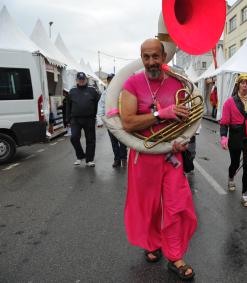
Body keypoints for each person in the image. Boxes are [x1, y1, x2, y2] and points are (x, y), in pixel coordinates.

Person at [120, 38, 196, 280]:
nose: (151, 62)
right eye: (146, 57)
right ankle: (152, 243)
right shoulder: (132, 83)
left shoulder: (177, 83)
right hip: (143, 156)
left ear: (164, 57)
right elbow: (128, 122)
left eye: (155, 56)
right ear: (141, 58)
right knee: (149, 207)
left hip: (171, 157)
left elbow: (189, 119)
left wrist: (183, 139)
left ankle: (175, 256)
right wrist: (159, 114)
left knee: (176, 205)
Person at [219, 73, 247, 207]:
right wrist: (224, 137)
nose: (245, 85)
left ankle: (245, 194)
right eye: (242, 82)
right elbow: (224, 122)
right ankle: (231, 178)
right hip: (236, 137)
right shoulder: (229, 102)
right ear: (238, 85)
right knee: (235, 163)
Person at [66, 72, 101, 167]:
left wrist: (98, 116)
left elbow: (99, 103)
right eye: (79, 79)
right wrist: (67, 119)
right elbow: (68, 105)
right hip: (75, 119)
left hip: (89, 119)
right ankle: (80, 156)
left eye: (83, 79)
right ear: (76, 80)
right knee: (74, 138)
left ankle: (89, 160)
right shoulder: (72, 90)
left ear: (86, 79)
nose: (81, 81)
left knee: (90, 140)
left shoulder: (92, 90)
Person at [97, 73, 128, 168]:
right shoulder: (105, 94)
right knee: (113, 141)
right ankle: (117, 159)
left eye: (113, 80)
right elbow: (101, 106)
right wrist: (100, 121)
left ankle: (124, 158)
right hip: (110, 121)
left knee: (122, 141)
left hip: (121, 120)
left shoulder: (123, 91)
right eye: (109, 80)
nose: (111, 82)